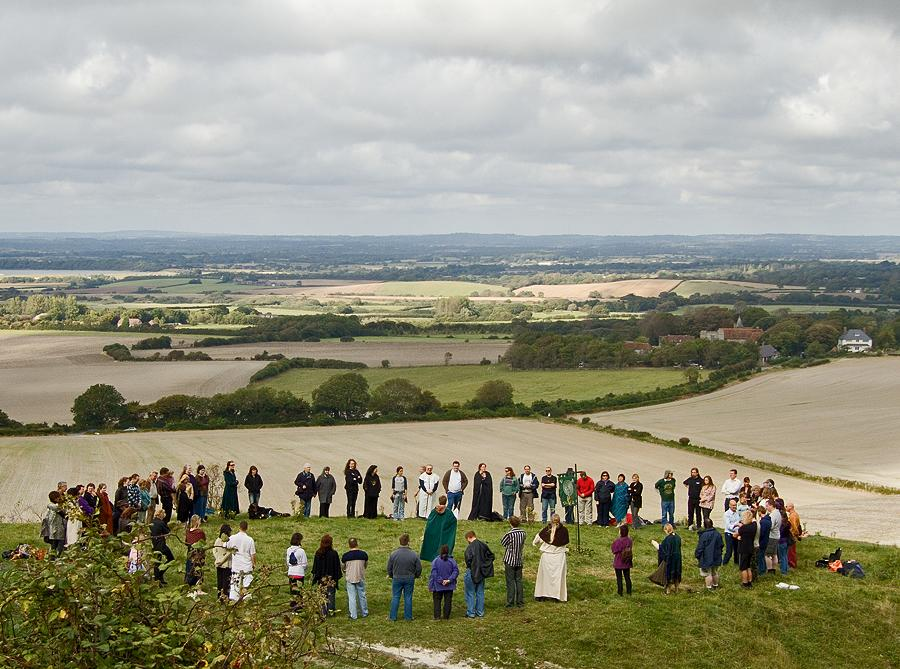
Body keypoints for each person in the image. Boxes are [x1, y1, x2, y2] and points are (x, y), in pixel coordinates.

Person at [533, 514, 569, 601]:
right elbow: (565, 542)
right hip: (559, 557)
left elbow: (537, 540)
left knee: (544, 577)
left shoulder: (546, 530)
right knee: (557, 578)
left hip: (547, 557)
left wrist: (534, 543)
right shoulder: (564, 530)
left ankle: (542, 595)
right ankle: (557, 596)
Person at [387, 533, 422, 621]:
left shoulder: (393, 554)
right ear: (408, 542)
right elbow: (419, 568)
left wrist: (391, 575)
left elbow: (389, 568)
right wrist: (416, 575)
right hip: (409, 578)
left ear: (400, 541)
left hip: (397, 578)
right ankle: (408, 617)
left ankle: (392, 617)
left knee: (395, 597)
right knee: (408, 597)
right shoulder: (414, 554)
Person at [463, 530, 494, 618]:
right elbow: (491, 556)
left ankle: (471, 612)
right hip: (481, 572)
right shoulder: (483, 545)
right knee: (480, 592)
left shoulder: (469, 548)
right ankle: (480, 612)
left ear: (469, 537)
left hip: (471, 571)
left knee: (470, 593)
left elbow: (468, 560)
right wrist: (484, 566)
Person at [312, 534, 342, 616]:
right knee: (331, 594)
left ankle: (323, 612)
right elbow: (337, 567)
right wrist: (336, 577)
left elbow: (315, 567)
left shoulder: (318, 553)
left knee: (322, 595)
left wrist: (316, 577)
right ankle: (331, 611)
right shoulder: (334, 554)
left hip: (321, 578)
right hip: (331, 578)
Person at [226, 520, 256, 602]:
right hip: (247, 565)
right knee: (247, 584)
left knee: (235, 584)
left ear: (239, 527)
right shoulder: (250, 540)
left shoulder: (232, 538)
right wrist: (254, 564)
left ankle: (233, 600)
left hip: (236, 566)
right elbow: (252, 554)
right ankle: (247, 599)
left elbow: (225, 545)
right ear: (247, 528)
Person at [420, 495, 458, 561]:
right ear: (446, 502)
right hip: (443, 534)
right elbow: (453, 521)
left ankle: (428, 556)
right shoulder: (449, 513)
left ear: (439, 501)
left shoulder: (434, 511)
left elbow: (430, 521)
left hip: (434, 533)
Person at [500, 516, 526, 608]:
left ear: (510, 523)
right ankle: (520, 601)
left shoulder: (509, 534)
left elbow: (503, 543)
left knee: (510, 581)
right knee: (519, 581)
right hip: (519, 559)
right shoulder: (523, 533)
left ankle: (510, 602)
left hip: (510, 559)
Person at [428, 544, 459, 619]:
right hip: (449, 585)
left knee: (437, 601)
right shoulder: (452, 561)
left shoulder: (435, 561)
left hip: (438, 586)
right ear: (448, 551)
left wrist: (440, 580)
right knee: (448, 601)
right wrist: (449, 580)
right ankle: (446, 616)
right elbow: (455, 571)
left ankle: (437, 616)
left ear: (440, 551)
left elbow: (434, 573)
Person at [342, 538, 369, 620]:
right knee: (362, 595)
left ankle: (353, 615)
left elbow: (343, 567)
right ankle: (364, 612)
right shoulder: (364, 554)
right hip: (360, 576)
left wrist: (345, 571)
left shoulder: (346, 556)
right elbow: (365, 565)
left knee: (352, 597)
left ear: (349, 545)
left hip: (350, 578)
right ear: (357, 544)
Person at [695, 518, 723, 590]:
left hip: (706, 557)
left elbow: (700, 547)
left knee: (708, 573)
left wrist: (697, 555)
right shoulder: (718, 534)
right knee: (714, 572)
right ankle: (715, 585)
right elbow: (721, 545)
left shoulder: (704, 535)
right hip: (716, 556)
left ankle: (709, 588)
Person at [656, 523, 682, 595]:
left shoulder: (667, 539)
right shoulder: (678, 537)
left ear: (666, 530)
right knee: (677, 573)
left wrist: (658, 547)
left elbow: (664, 550)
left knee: (669, 574)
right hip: (678, 558)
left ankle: (668, 591)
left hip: (670, 559)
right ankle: (677, 589)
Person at [150, 509, 174, 584]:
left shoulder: (152, 522)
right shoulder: (161, 523)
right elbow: (168, 532)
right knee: (171, 559)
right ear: (160, 514)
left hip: (154, 544)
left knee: (157, 562)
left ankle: (158, 578)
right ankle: (160, 574)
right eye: (164, 513)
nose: (164, 515)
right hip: (161, 545)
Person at [735, 510, 758, 588]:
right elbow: (754, 521)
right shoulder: (754, 526)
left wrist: (738, 535)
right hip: (750, 547)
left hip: (743, 548)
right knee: (748, 566)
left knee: (743, 567)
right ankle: (750, 581)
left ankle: (745, 583)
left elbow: (735, 535)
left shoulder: (743, 528)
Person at [611, 524, 634, 596]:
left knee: (619, 578)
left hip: (618, 562)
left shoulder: (618, 541)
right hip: (627, 561)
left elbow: (614, 550)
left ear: (620, 532)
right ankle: (629, 591)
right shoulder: (629, 540)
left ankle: (620, 592)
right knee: (627, 577)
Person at [184, 515, 206, 590]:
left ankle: (188, 583)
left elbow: (186, 542)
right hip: (197, 552)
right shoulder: (200, 532)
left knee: (189, 567)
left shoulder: (188, 531)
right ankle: (197, 585)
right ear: (197, 521)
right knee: (197, 568)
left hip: (190, 551)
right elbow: (203, 542)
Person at [214, 524, 232, 600]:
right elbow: (229, 553)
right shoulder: (228, 541)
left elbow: (214, 550)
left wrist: (217, 558)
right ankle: (225, 597)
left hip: (218, 564)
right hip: (226, 564)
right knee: (226, 582)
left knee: (220, 581)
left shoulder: (217, 540)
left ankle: (219, 596)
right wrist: (222, 560)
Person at [722, 498, 741, 566]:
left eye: (735, 505)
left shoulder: (737, 512)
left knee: (737, 550)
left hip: (736, 533)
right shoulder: (727, 514)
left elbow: (739, 522)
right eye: (733, 505)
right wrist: (736, 525)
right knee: (729, 551)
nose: (734, 507)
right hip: (729, 534)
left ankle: (737, 563)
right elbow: (729, 526)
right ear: (729, 505)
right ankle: (724, 563)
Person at [765, 499, 781, 575]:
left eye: (767, 506)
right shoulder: (778, 513)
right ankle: (774, 569)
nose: (766, 508)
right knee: (774, 554)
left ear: (771, 505)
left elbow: (771, 526)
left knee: (767, 554)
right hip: (777, 535)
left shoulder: (772, 515)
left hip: (771, 536)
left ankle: (770, 569)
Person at [757, 505, 772, 577]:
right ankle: (764, 568)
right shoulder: (769, 520)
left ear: (759, 512)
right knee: (763, 555)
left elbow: (761, 533)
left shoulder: (763, 522)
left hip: (762, 541)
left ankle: (761, 570)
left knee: (760, 556)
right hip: (766, 540)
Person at [786, 502, 802, 568]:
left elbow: (794, 526)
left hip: (792, 535)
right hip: (792, 535)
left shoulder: (793, 516)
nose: (785, 507)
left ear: (790, 507)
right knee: (791, 551)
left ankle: (792, 564)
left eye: (786, 506)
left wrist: (796, 535)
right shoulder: (794, 514)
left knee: (791, 551)